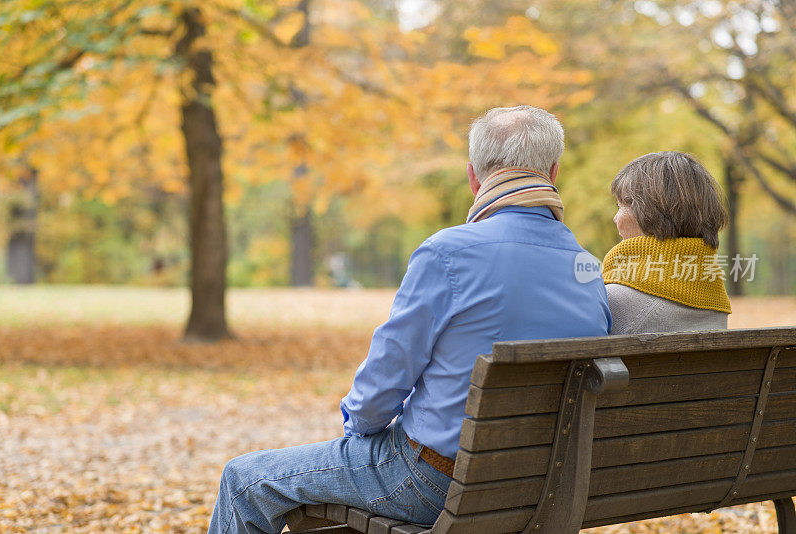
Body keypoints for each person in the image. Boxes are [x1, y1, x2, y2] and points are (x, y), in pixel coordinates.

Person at [208, 105, 612, 534]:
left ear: (474, 176)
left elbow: (380, 388)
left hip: (437, 480)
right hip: (548, 482)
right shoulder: (587, 270)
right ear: (553, 172)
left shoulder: (449, 253)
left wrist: (358, 427)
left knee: (242, 481)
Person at [602, 151, 731, 335]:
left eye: (621, 206)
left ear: (649, 213)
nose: (616, 218)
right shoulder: (715, 300)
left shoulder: (611, 301)